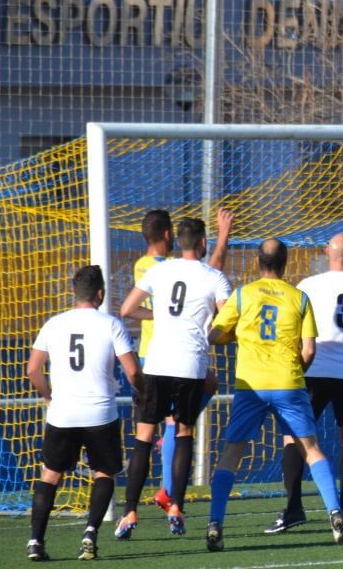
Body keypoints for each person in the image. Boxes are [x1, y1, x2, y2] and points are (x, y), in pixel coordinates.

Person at [205, 239, 343, 551]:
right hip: (288, 381)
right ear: (286, 264)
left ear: (258, 262)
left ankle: (215, 523)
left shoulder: (243, 294)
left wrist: (237, 334)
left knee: (231, 454)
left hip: (251, 385)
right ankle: (336, 514)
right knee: (311, 451)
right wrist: (297, 368)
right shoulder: (299, 297)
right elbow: (308, 349)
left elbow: (214, 334)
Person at [115, 217, 232, 539]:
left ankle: (128, 513)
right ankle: (177, 507)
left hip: (157, 361)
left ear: (178, 241)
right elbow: (225, 318)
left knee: (143, 436)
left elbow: (126, 309)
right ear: (204, 243)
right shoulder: (215, 277)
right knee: (183, 432)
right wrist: (216, 332)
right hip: (190, 365)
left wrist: (158, 315)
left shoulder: (159, 270)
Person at [264, 233, 343, 535]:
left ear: (325, 253)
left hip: (313, 371)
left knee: (294, 438)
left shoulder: (308, 285)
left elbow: (293, 330)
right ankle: (342, 509)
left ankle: (293, 508)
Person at [25, 265, 143, 562]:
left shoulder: (54, 324)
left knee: (50, 475)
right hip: (100, 414)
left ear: (74, 292)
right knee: (103, 473)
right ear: (100, 293)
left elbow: (33, 369)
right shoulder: (110, 324)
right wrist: (141, 391)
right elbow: (132, 371)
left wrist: (48, 396)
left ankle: (35, 542)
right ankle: (90, 534)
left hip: (63, 413)